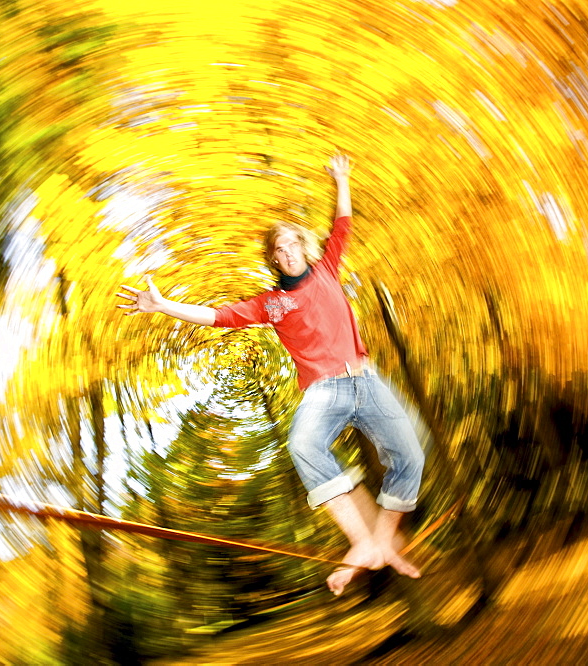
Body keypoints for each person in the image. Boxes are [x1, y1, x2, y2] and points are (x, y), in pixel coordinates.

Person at [116, 155, 425, 595]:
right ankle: (362, 541)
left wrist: (341, 179)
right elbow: (219, 315)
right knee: (303, 444)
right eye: (278, 251)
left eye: (291, 245)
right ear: (275, 260)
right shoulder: (270, 304)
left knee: (410, 456)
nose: (286, 253)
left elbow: (342, 224)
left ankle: (380, 542)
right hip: (325, 390)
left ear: (302, 246)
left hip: (366, 379)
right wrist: (164, 306)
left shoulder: (328, 268)